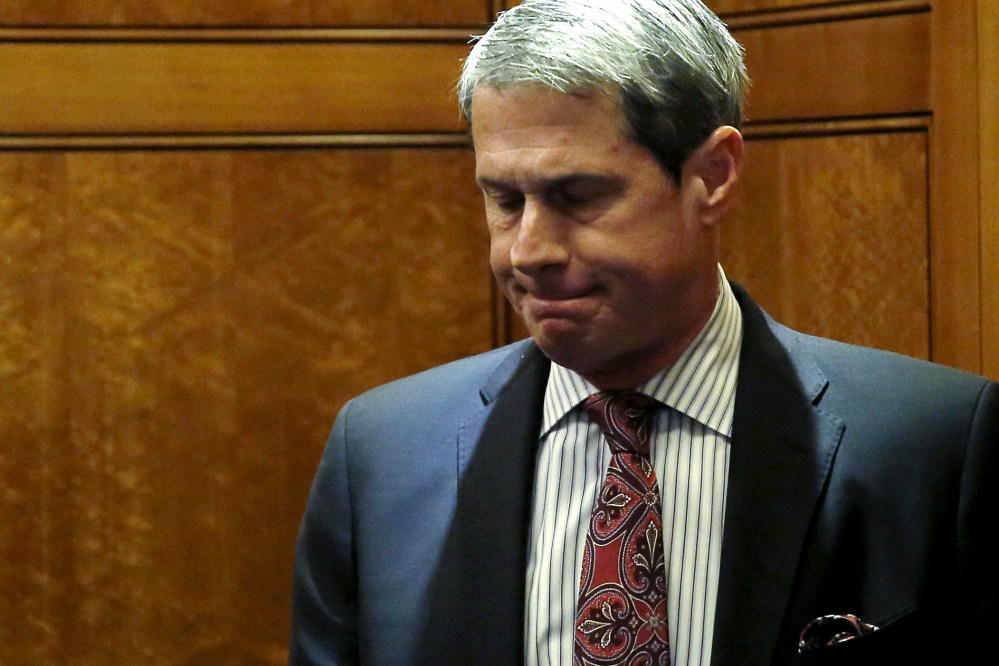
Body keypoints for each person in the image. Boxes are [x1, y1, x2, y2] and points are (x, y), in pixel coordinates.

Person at [288, 0, 999, 664]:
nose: (527, 250)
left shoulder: (935, 446)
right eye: (504, 201)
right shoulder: (379, 454)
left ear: (712, 176)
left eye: (578, 196)